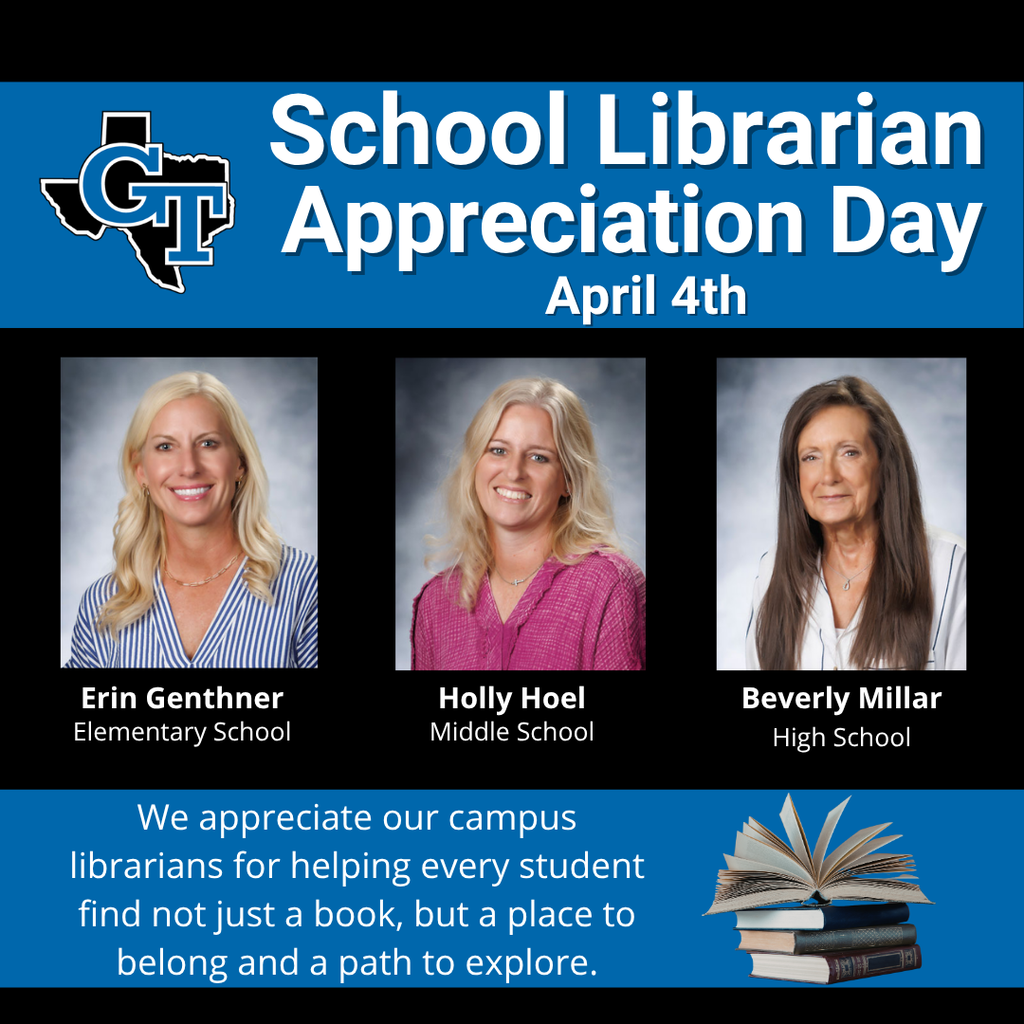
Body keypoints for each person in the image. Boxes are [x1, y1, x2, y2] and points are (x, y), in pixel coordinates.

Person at [63, 371, 317, 667]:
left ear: (240, 463)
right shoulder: (103, 604)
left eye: (208, 443)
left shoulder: (306, 586)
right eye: (166, 447)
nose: (189, 467)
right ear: (140, 470)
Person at [411, 376, 645, 670]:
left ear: (568, 480)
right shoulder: (437, 601)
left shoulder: (608, 584)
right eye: (498, 450)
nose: (514, 472)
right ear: (475, 465)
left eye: (538, 457)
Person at [746, 376, 965, 670]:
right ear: (795, 475)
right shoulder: (772, 570)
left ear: (884, 464)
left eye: (849, 452)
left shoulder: (951, 568)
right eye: (810, 457)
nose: (828, 476)